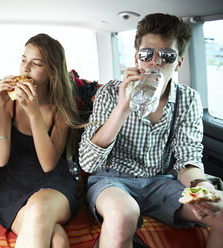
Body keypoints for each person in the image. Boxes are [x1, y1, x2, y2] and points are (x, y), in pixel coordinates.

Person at [78, 13, 223, 248]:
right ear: (137, 58)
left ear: (179, 62)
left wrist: (203, 187)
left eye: (167, 55)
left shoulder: (188, 99)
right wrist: (123, 107)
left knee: (221, 211)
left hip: (159, 182)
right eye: (147, 54)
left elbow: (188, 159)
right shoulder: (111, 92)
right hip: (112, 181)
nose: (155, 62)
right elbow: (87, 163)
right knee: (124, 215)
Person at [0, 33, 81, 248]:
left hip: (54, 184)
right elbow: (0, 160)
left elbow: (48, 164)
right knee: (57, 240)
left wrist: (34, 114)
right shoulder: (11, 103)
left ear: (52, 71)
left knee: (39, 207)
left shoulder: (61, 111)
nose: (25, 68)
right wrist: (1, 107)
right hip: (13, 185)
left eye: (36, 63)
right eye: (23, 60)